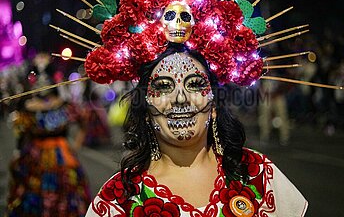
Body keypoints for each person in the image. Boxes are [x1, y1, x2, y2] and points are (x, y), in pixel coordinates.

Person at [85, 45, 307, 217]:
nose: (181, 99)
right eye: (163, 87)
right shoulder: (118, 198)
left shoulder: (258, 174)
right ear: (145, 110)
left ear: (213, 106)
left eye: (195, 84)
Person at [6, 53, 91, 217]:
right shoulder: (27, 106)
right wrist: (18, 153)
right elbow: (21, 134)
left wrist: (76, 145)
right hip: (34, 156)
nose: (42, 79)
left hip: (62, 155)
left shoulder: (63, 105)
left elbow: (83, 121)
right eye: (38, 74)